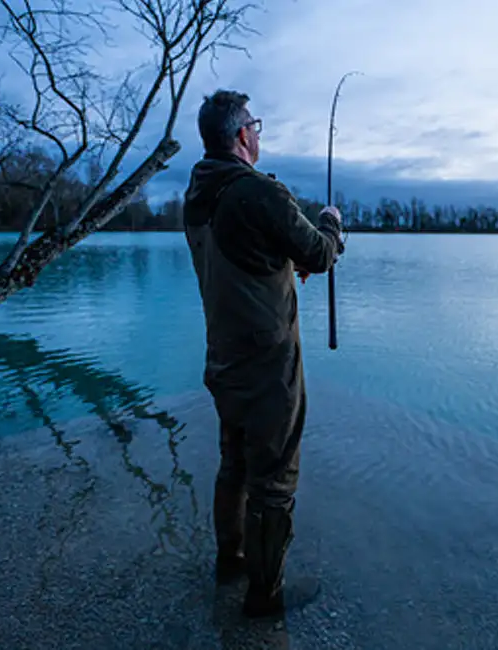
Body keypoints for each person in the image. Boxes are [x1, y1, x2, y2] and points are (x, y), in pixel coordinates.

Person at [182, 89, 344, 619]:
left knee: (234, 462)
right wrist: (332, 224)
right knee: (273, 480)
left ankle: (230, 561)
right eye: (255, 123)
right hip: (268, 364)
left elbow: (244, 250)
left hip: (222, 357)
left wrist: (278, 256)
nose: (258, 131)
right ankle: (265, 596)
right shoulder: (256, 191)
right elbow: (318, 253)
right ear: (241, 135)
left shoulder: (198, 193)